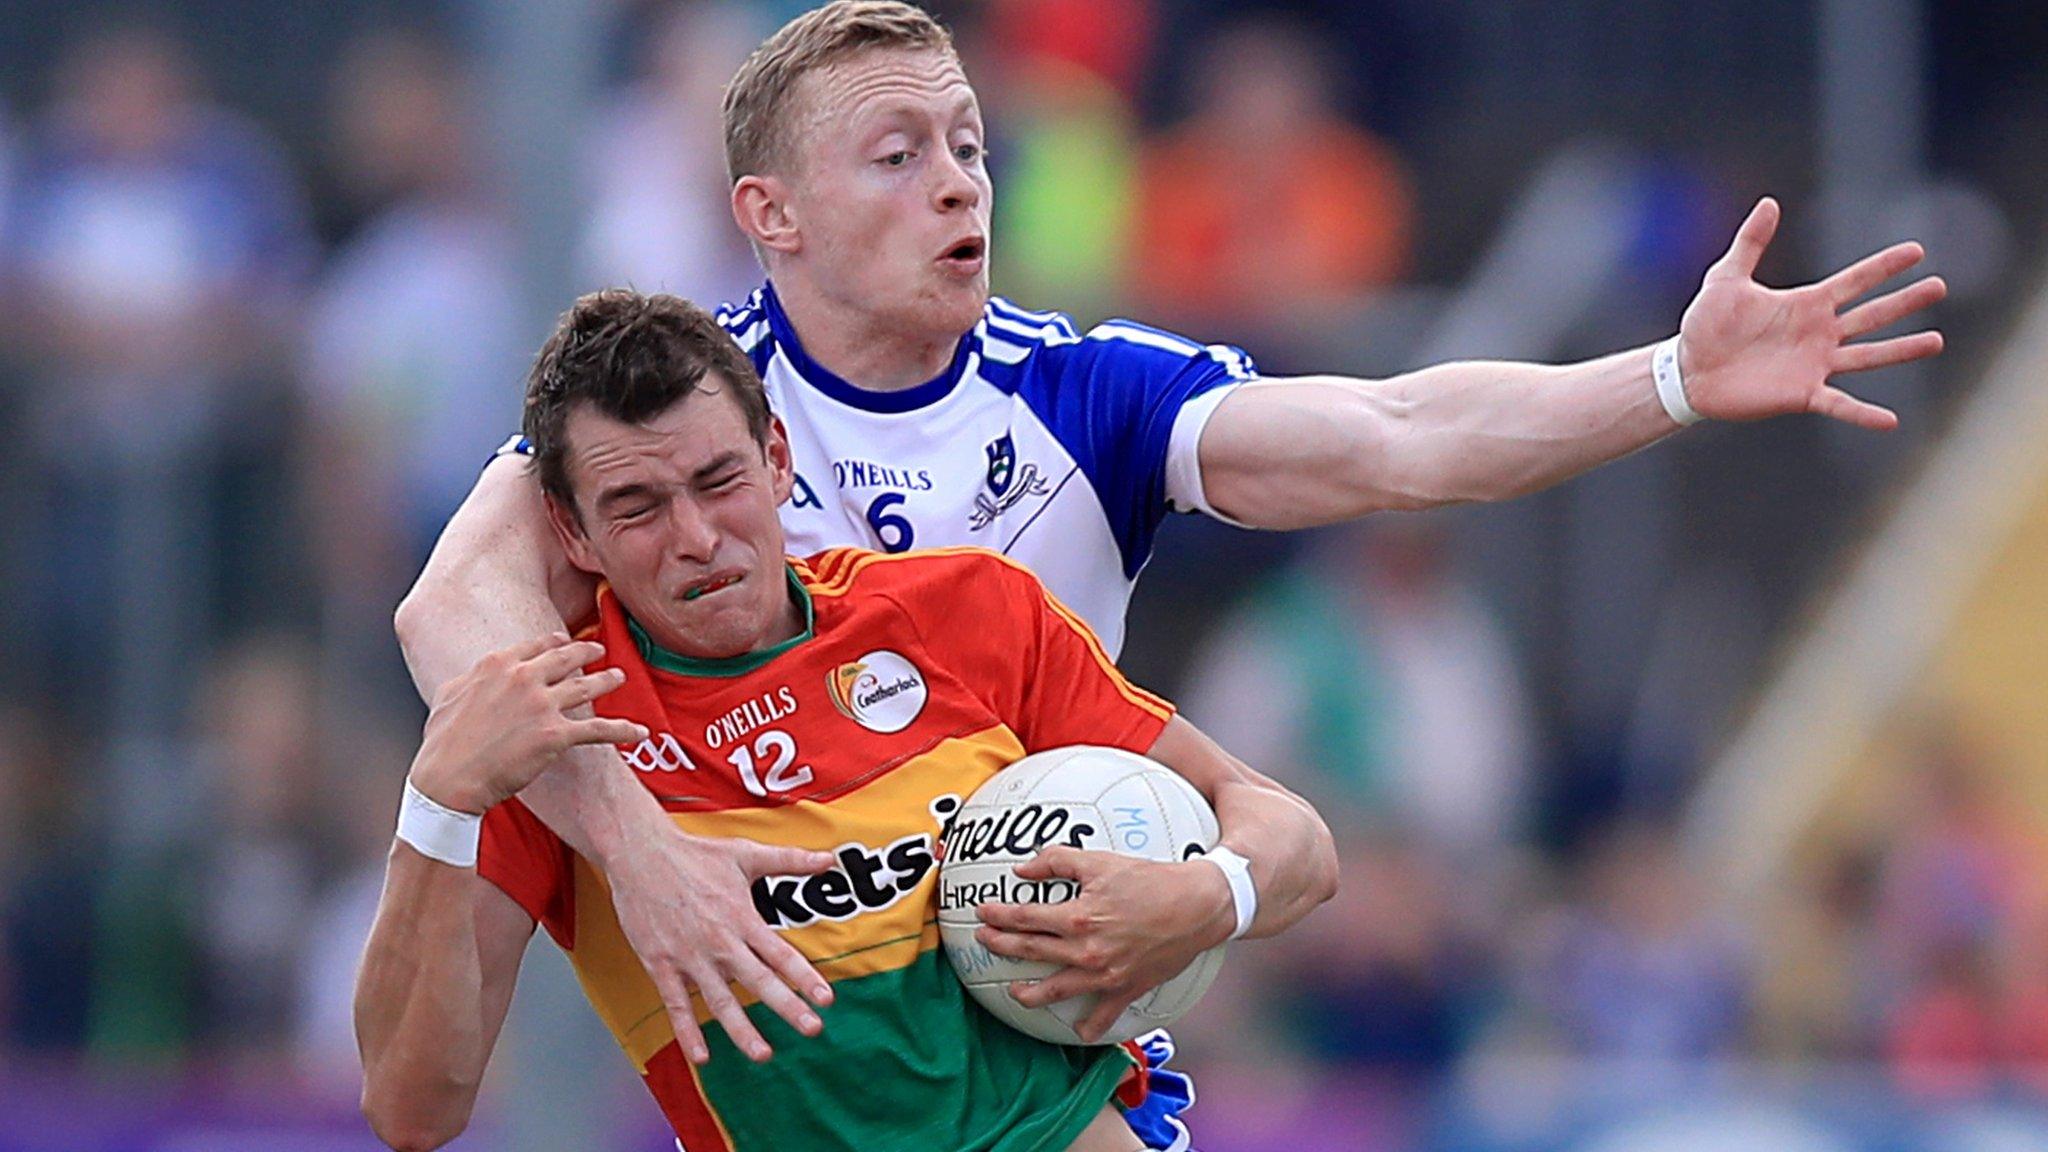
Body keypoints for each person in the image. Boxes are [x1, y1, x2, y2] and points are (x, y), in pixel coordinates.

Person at [394, 0, 1946, 1105]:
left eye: (968, 145)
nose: (957, 182)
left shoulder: (1084, 393)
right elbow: (447, 611)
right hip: (814, 1045)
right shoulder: (682, 427)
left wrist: (1669, 376)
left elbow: (1399, 429)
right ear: (770, 214)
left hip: (1041, 1019)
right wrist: (644, 858)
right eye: (895, 155)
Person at [356, 290, 1337, 1151]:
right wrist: (438, 805)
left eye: (718, 481)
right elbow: (414, 1109)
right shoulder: (556, 741)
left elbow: (1290, 837)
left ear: (777, 459)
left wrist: (1209, 899)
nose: (697, 539)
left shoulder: (966, 612)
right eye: (637, 507)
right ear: (572, 535)